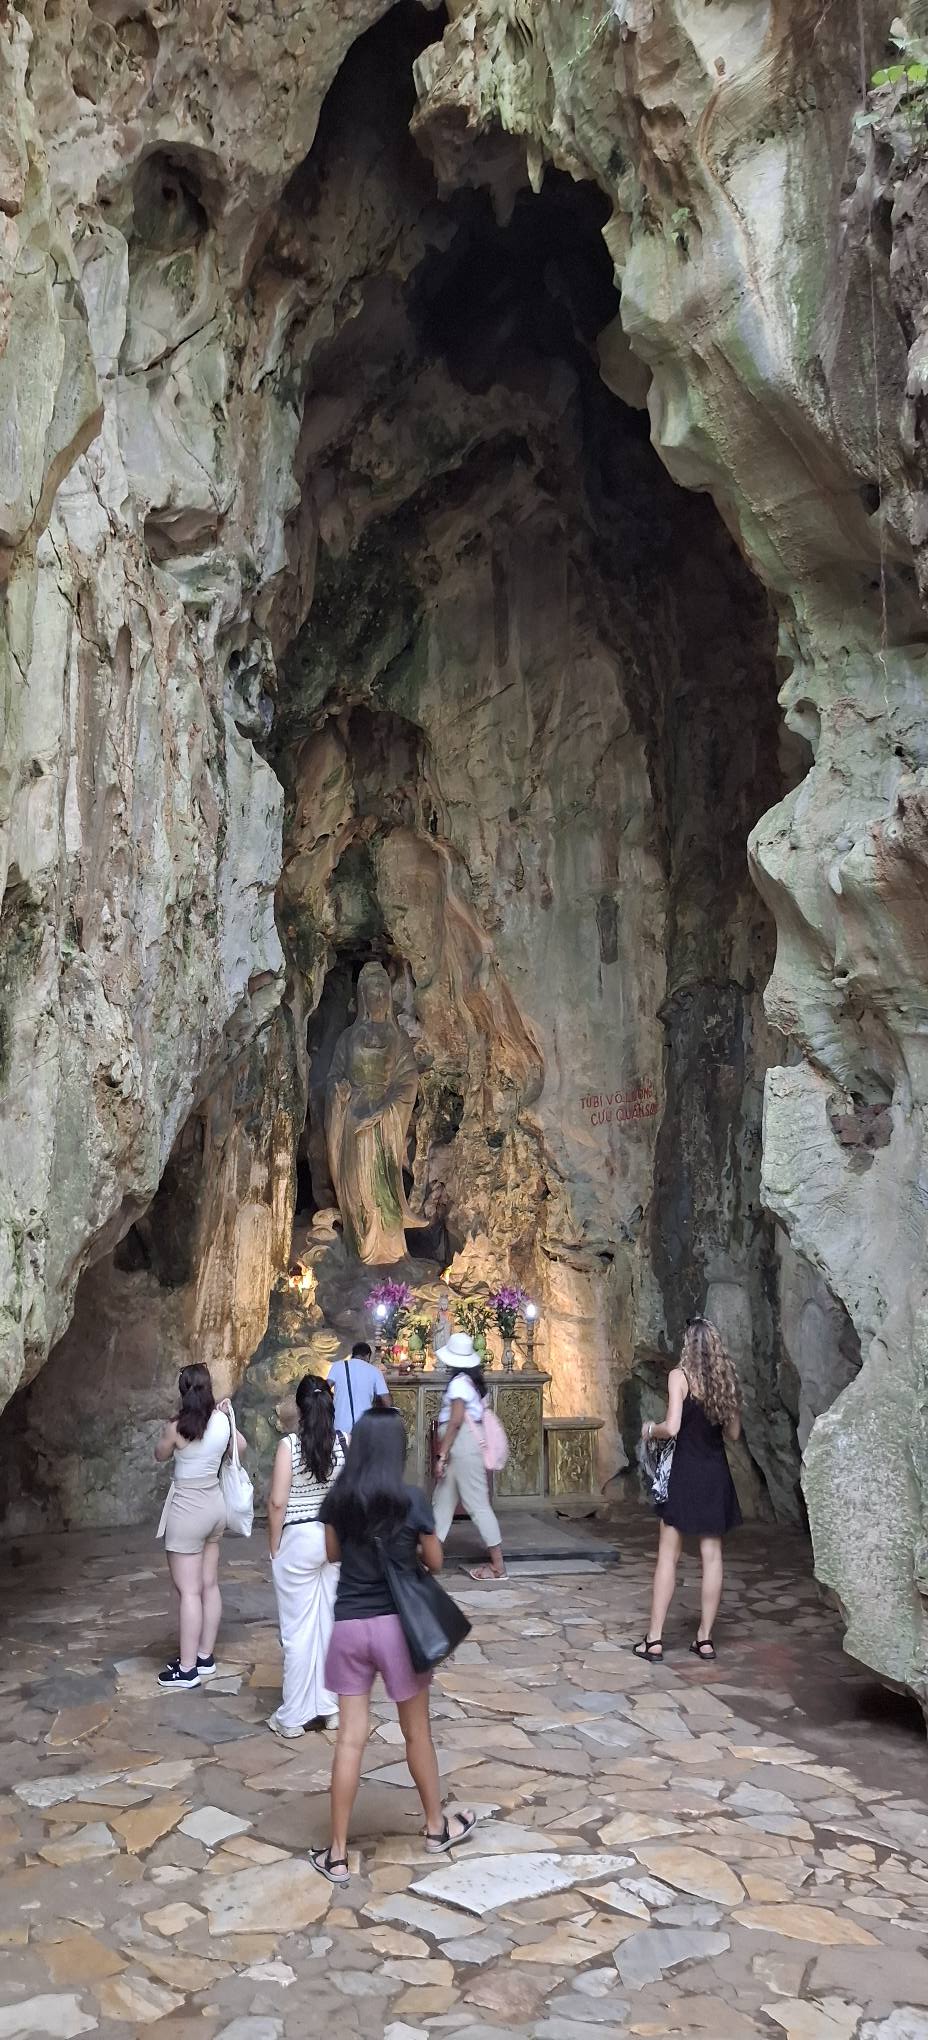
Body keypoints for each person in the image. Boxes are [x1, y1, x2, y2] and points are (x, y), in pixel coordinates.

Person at [310, 1407, 477, 1884]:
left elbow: (332, 1554)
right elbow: (436, 1562)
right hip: (397, 1629)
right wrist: (408, 1551)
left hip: (350, 1625)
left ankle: (336, 1853)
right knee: (416, 1732)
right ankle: (435, 1826)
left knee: (350, 1738)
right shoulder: (411, 1500)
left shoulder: (340, 1500)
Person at [635, 1316, 743, 1663]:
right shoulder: (725, 1381)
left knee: (668, 1555)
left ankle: (654, 1640)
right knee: (712, 1556)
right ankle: (705, 1639)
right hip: (714, 1475)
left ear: (688, 1345)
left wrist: (649, 1429)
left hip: (684, 1474)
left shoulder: (679, 1377)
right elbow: (734, 1434)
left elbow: (673, 1427)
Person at [154, 1363, 246, 1690]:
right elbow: (240, 1448)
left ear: (183, 1391)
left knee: (189, 1591)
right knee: (209, 1585)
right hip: (214, 1507)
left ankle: (187, 1668)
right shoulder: (220, 1421)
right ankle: (204, 1656)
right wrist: (226, 1416)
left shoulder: (176, 1428)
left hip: (187, 1511)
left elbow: (159, 1455)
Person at [266, 1374, 346, 1739]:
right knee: (328, 1625)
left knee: (297, 1631)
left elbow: (277, 1502)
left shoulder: (290, 1446)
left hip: (298, 1539)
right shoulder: (343, 1442)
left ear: (300, 1408)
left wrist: (274, 1545)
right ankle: (330, 1707)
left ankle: (293, 1716)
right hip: (332, 1539)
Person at [432, 1331, 506, 1583]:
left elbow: (455, 1422)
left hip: (462, 1444)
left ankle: (498, 1566)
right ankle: (429, 1556)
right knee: (442, 1501)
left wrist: (442, 1455)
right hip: (462, 1445)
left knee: (477, 1503)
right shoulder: (469, 1382)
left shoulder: (458, 1384)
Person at [328, 1341, 389, 1437]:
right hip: (364, 1427)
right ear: (368, 1356)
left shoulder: (337, 1366)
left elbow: (325, 1388)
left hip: (340, 1426)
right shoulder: (375, 1371)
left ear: (353, 1354)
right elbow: (387, 1402)